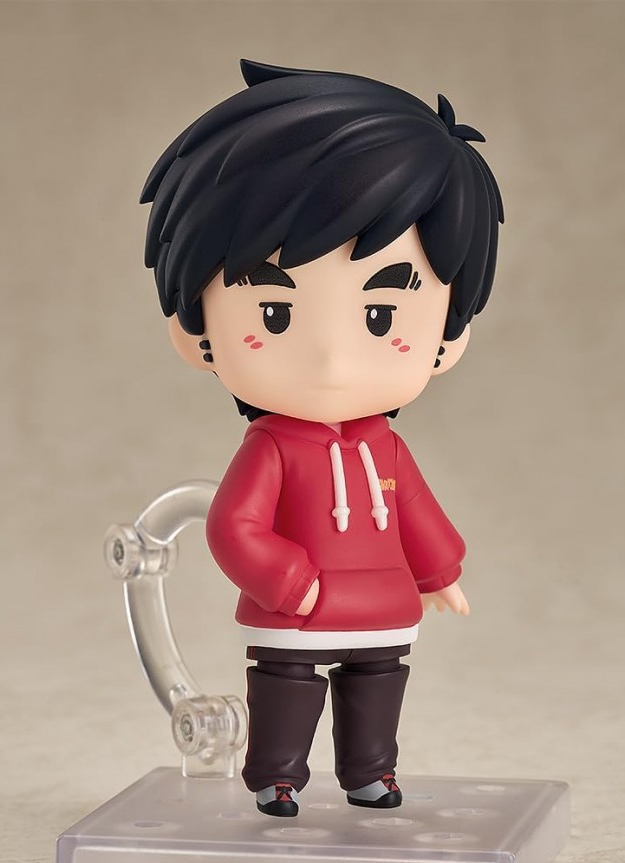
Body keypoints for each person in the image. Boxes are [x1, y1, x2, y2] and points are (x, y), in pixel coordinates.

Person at [140, 58, 503, 817]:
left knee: (378, 682)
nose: (333, 360)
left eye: (381, 317)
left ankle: (372, 771)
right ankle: (277, 774)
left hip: (383, 603)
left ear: (450, 336)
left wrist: (440, 570)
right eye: (274, 314)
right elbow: (232, 525)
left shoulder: (385, 448)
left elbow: (416, 512)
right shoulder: (272, 449)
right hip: (296, 613)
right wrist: (287, 579)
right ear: (194, 331)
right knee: (286, 686)